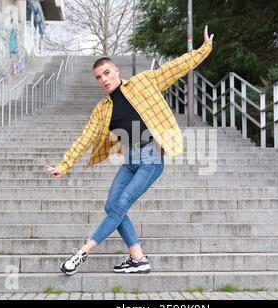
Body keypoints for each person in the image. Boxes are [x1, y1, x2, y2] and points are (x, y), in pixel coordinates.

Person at [45, 26, 214, 276]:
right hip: (130, 160)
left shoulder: (144, 82)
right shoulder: (101, 110)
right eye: (99, 77)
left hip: (151, 159)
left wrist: (204, 48)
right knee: (111, 204)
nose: (104, 79)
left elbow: (176, 67)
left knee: (120, 205)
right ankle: (138, 259)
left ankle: (82, 253)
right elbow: (85, 138)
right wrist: (65, 164)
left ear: (116, 71)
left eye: (106, 73)